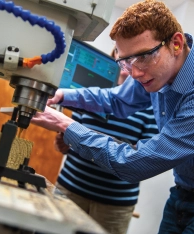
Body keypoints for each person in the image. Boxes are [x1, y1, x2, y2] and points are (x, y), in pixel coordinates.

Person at [31, 0, 194, 233]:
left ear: (176, 44)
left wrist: (65, 125)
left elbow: (134, 162)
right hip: (181, 192)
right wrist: (63, 95)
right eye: (126, 61)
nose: (134, 73)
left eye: (143, 57)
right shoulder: (153, 72)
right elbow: (116, 100)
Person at [54, 54, 158, 233]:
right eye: (123, 61)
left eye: (134, 60)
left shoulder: (150, 106)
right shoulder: (91, 96)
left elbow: (146, 159)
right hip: (71, 189)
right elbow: (67, 140)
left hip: (115, 204)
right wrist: (63, 143)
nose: (127, 67)